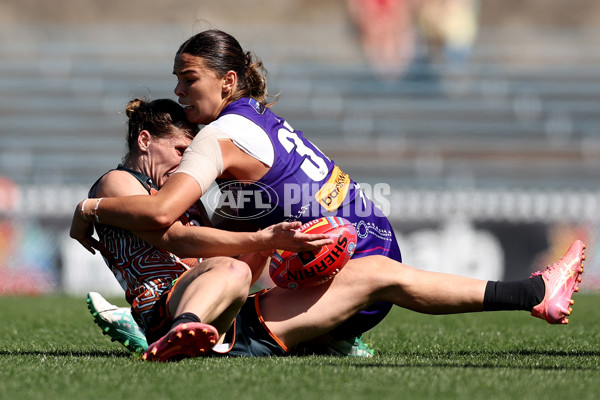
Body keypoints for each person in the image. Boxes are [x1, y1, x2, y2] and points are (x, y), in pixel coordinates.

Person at [71, 30, 586, 361]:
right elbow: (181, 226)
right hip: (361, 241)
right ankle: (532, 293)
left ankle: (532, 293)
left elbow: (171, 218)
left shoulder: (219, 136)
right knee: (368, 274)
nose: (181, 95)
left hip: (342, 252)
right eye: (177, 83)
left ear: (227, 81)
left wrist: (89, 208)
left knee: (263, 258)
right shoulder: (257, 119)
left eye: (189, 80)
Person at [83, 96, 334, 356]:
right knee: (237, 266)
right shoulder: (117, 181)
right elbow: (177, 240)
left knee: (280, 275)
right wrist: (264, 240)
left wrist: (267, 240)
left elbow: (214, 256)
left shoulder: (177, 191)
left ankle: (337, 338)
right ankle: (180, 331)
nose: (185, 164)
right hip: (163, 309)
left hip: (212, 300)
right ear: (144, 141)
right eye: (180, 151)